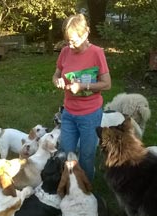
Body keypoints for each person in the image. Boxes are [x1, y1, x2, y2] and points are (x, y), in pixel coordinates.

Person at [52, 13, 111, 182]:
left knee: (86, 158)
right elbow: (56, 75)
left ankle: (86, 192)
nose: (70, 45)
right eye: (67, 41)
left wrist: (83, 86)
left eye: (74, 41)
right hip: (69, 113)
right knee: (65, 154)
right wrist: (57, 81)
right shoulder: (65, 52)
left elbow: (107, 84)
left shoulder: (97, 53)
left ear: (86, 34)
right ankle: (69, 188)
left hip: (90, 115)